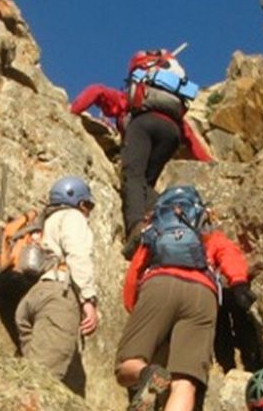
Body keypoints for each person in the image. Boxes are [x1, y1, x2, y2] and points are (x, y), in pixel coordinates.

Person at [114, 185, 253, 411]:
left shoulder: (157, 230)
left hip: (159, 282)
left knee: (127, 365)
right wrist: (239, 284)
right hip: (201, 294)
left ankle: (147, 371)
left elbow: (134, 276)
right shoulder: (207, 232)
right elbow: (230, 255)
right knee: (185, 380)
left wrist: (139, 312)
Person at [69, 49, 212, 259]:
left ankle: (137, 228)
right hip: (172, 133)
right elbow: (188, 135)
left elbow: (96, 90)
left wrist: (70, 112)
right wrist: (209, 163)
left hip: (143, 126)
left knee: (133, 178)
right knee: (146, 185)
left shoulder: (131, 99)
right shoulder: (172, 105)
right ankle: (173, 221)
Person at [15, 176, 100, 384]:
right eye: (88, 205)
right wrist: (88, 300)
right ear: (80, 203)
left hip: (33, 297)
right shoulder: (73, 217)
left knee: (29, 375)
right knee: (42, 382)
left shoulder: (44, 224)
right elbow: (77, 255)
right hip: (58, 298)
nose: (88, 212)